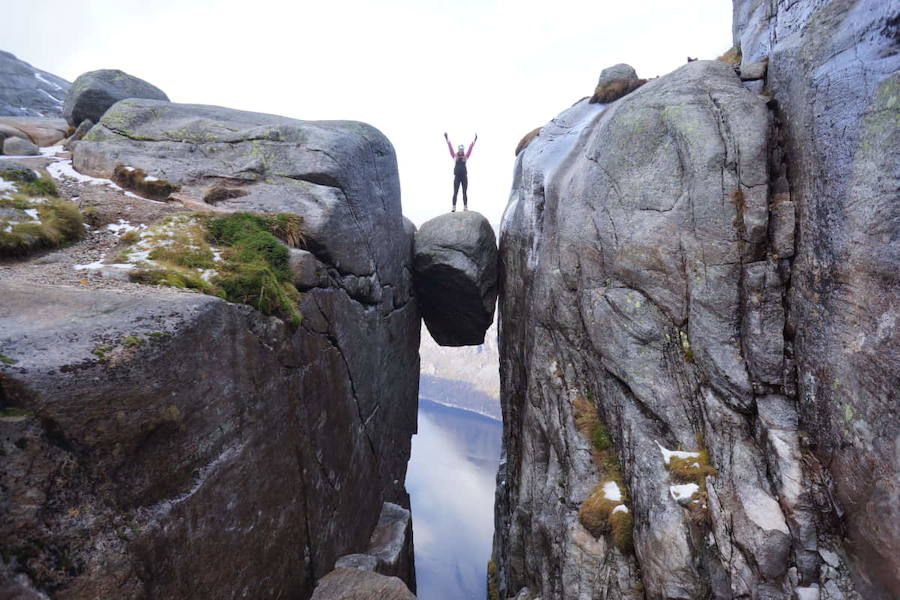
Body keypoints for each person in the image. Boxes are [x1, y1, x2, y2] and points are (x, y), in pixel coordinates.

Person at [444, 132, 477, 212]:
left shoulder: (465, 157)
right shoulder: (455, 156)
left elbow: (470, 149)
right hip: (457, 177)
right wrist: (447, 139)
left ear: (463, 150)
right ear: (458, 150)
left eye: (462, 149)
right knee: (455, 192)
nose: (461, 150)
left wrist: (474, 140)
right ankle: (453, 207)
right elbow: (450, 148)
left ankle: (465, 207)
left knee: (464, 192)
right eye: (460, 149)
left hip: (464, 177)